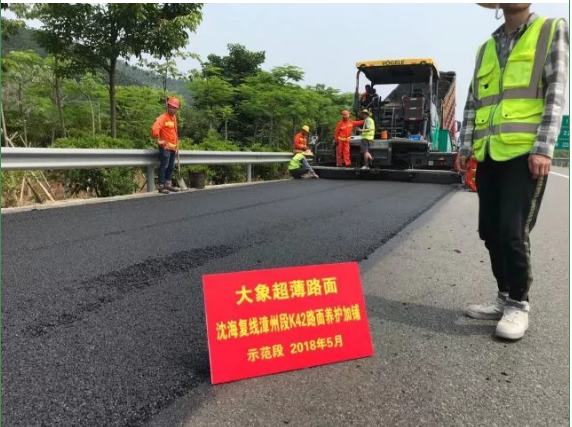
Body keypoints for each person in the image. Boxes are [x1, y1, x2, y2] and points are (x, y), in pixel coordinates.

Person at [458, 3, 569, 340]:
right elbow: (473, 100)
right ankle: (503, 295)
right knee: (489, 231)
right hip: (490, 152)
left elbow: (556, 93)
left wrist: (543, 148)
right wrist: (465, 147)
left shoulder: (551, 30)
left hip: (525, 154)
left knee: (512, 230)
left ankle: (519, 304)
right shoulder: (486, 48)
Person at [151, 97, 181, 194]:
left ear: (177, 109)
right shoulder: (163, 117)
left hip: (172, 147)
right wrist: (158, 140)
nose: (173, 109)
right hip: (165, 147)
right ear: (168, 107)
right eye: (171, 107)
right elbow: (155, 128)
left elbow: (174, 132)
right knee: (164, 165)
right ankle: (161, 185)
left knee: (171, 166)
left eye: (175, 108)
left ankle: (168, 184)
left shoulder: (174, 118)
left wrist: (176, 145)